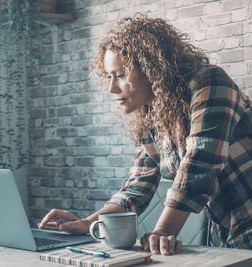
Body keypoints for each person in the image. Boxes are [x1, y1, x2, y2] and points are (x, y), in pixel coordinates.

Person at [38, 13, 252, 256]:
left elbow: (201, 163)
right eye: (109, 76)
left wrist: (162, 230)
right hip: (227, 233)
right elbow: (138, 185)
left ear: (151, 67)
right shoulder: (151, 116)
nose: (111, 88)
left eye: (119, 75)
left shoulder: (209, 82)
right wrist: (90, 223)